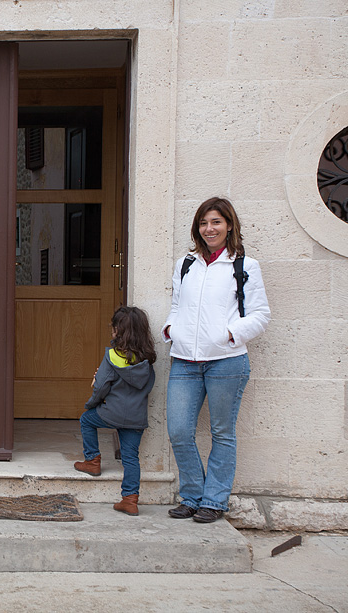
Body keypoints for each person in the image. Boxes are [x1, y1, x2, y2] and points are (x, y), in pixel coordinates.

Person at [163, 197, 270, 523]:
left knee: (223, 433)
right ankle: (192, 496)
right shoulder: (186, 264)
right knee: (179, 431)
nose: (209, 229)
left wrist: (229, 334)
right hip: (184, 361)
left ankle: (214, 501)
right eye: (204, 223)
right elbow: (178, 306)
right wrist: (171, 328)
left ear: (229, 225)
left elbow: (260, 315)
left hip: (226, 361)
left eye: (216, 222)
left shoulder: (244, 265)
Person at [74, 306, 157, 516]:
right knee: (131, 457)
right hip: (136, 416)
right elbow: (147, 386)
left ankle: (92, 461)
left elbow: (101, 386)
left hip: (110, 412)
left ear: (118, 331)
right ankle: (130, 500)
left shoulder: (112, 357)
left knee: (86, 420)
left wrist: (92, 403)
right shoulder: (147, 361)